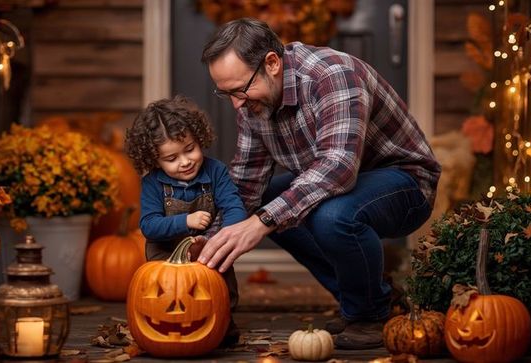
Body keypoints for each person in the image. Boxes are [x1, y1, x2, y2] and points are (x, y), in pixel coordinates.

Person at [198, 18, 441, 349]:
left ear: (271, 63)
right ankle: (366, 296)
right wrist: (206, 245)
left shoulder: (332, 74)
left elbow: (338, 167)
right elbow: (245, 184)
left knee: (330, 215)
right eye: (225, 93)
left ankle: (369, 315)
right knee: (270, 199)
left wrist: (262, 222)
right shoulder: (253, 105)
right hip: (338, 188)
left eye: (240, 89)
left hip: (406, 183)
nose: (236, 104)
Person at [124, 95, 247, 346]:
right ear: (154, 160)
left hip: (206, 250)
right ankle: (169, 327)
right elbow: (149, 226)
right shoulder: (152, 183)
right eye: (171, 159)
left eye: (189, 149)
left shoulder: (216, 171)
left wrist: (224, 236)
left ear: (199, 139)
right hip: (166, 258)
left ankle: (222, 322)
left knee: (222, 283)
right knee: (167, 293)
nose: (185, 161)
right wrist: (186, 220)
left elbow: (234, 207)